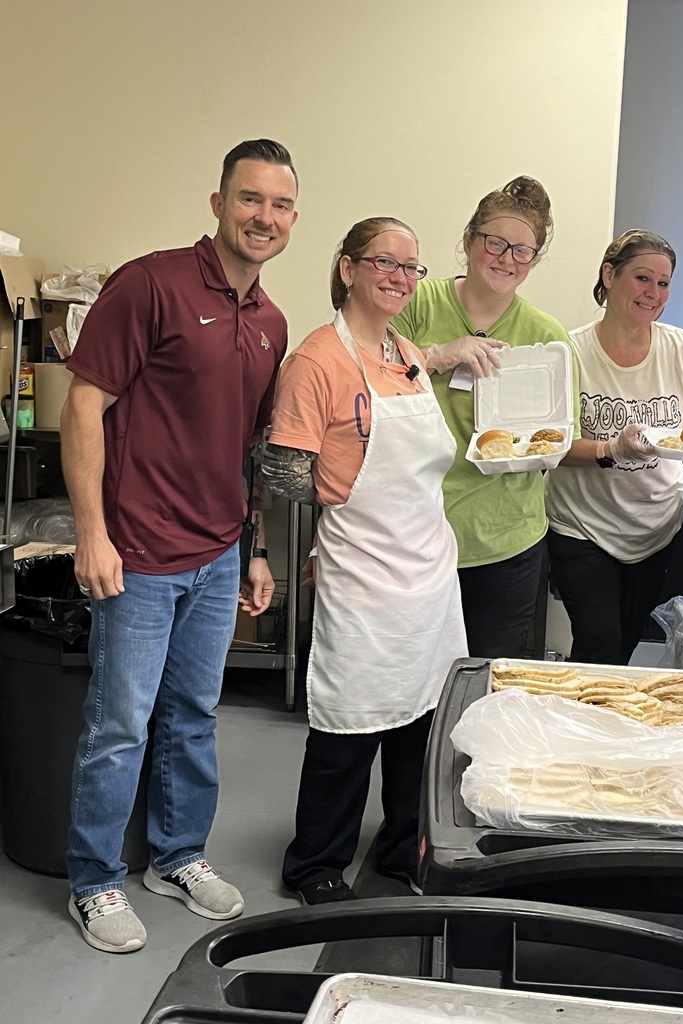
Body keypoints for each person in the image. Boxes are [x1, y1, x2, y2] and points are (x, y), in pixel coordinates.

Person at [59, 139, 299, 953]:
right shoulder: (150, 284)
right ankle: (94, 882)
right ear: (218, 203)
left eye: (280, 204)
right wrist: (91, 534)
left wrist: (254, 548)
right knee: (120, 724)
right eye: (250, 198)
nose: (264, 217)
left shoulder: (270, 320)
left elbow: (251, 448)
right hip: (137, 555)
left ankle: (177, 857)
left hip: (217, 552)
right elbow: (85, 406)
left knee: (194, 715)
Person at [261, 217, 467, 905]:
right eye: (385, 262)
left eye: (412, 268)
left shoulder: (403, 350)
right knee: (349, 726)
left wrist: (450, 354)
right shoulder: (317, 360)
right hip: (364, 571)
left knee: (421, 722)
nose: (400, 278)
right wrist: (338, 513)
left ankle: (403, 846)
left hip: (429, 572)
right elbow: (287, 474)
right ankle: (316, 863)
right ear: (347, 268)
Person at [545, 229, 683, 665]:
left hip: (658, 528)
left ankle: (604, 724)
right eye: (642, 278)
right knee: (598, 645)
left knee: (628, 642)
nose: (653, 293)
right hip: (582, 527)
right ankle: (580, 726)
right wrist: (610, 448)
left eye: (663, 283)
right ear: (610, 275)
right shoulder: (570, 351)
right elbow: (553, 445)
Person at [391, 177, 579, 659]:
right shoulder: (416, 303)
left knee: (483, 685)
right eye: (495, 242)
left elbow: (556, 434)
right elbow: (362, 384)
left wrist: (543, 448)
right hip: (413, 530)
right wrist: (437, 355)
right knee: (413, 684)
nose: (506, 258)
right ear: (469, 241)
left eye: (523, 251)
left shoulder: (545, 336)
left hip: (505, 539)